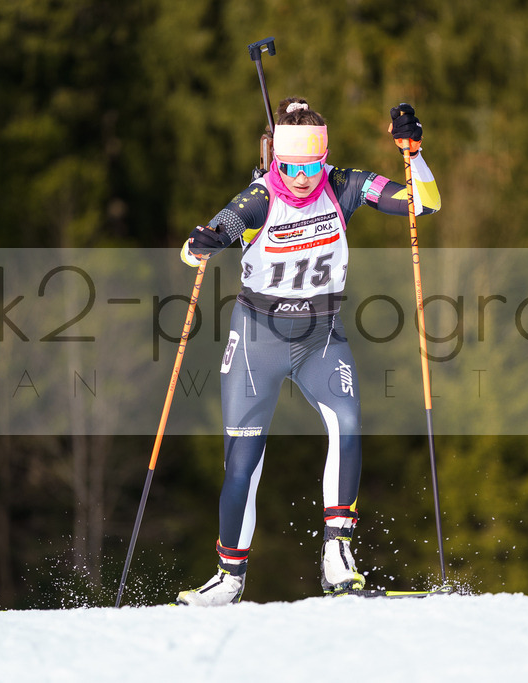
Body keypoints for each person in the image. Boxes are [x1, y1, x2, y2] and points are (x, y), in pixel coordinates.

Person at [174, 99, 441, 606]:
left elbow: (423, 204)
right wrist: (201, 244)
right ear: (276, 160)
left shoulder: (344, 187)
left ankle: (337, 554)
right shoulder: (258, 198)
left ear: (325, 158)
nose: (301, 178)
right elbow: (211, 234)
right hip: (258, 340)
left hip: (321, 338)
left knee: (347, 420)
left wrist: (415, 154)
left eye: (311, 166)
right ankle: (229, 578)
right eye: (290, 166)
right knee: (241, 461)